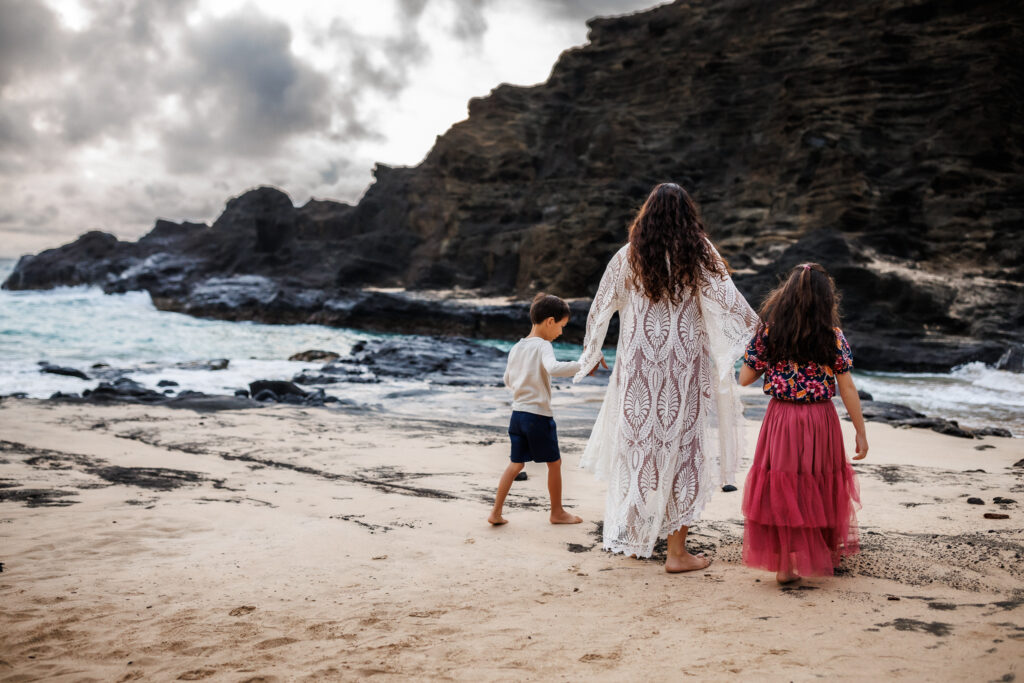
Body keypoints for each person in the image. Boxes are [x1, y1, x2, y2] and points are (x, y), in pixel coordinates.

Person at [574, 183, 759, 572]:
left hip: (637, 368)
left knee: (638, 447)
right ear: (687, 215)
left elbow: (600, 306)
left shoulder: (629, 255)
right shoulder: (700, 251)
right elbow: (730, 301)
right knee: (683, 452)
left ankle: (632, 532)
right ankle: (676, 553)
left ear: (647, 215)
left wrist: (592, 353)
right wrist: (763, 332)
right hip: (683, 369)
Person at [738, 262, 867, 584]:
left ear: (785, 296)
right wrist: (860, 432)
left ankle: (784, 565)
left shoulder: (770, 333)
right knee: (816, 484)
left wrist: (765, 359)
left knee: (782, 486)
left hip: (781, 418)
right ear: (827, 300)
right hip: (820, 419)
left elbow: (744, 379)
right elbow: (847, 386)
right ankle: (815, 555)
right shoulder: (832, 336)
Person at [488, 293, 586, 526]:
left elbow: (507, 379)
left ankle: (495, 512)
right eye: (561, 326)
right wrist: (582, 365)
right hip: (537, 415)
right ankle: (557, 512)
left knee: (516, 463)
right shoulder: (543, 345)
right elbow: (553, 368)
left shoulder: (517, 347)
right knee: (554, 463)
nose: (561, 333)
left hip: (517, 414)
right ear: (550, 321)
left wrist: (524, 387)